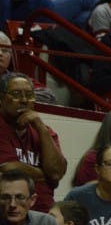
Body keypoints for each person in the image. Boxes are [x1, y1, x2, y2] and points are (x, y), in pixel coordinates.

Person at [0, 72, 66, 213]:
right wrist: (45, 175)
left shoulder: (44, 131)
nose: (24, 100)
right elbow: (10, 170)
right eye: (16, 94)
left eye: (29, 95)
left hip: (44, 215)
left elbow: (56, 173)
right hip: (8, 215)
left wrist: (41, 128)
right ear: (1, 98)